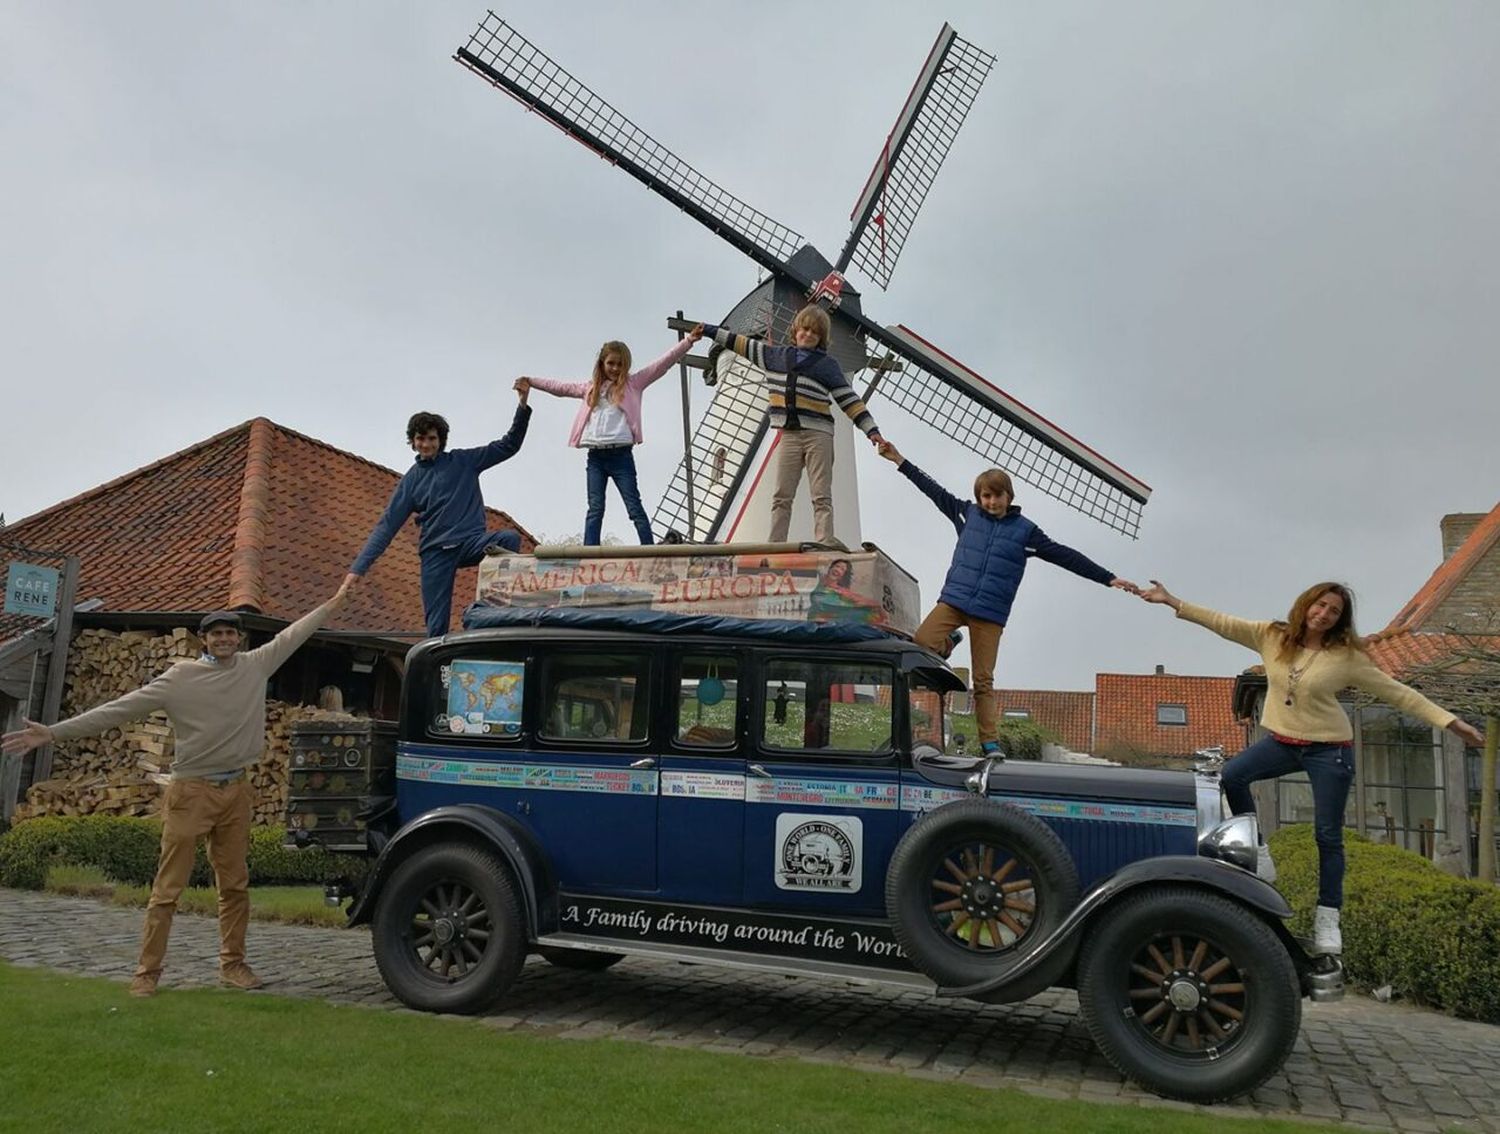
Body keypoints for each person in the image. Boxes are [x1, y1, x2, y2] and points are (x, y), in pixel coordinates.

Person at [1, 584, 353, 996]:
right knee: (168, 889)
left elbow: (296, 633)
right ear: (204, 640)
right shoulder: (180, 678)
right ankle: (146, 974)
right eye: (216, 633)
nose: (224, 639)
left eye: (230, 633)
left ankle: (233, 965)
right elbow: (118, 710)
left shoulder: (256, 665)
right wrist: (53, 733)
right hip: (191, 792)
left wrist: (336, 599)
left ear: (239, 638)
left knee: (235, 885)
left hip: (236, 791)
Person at [1138, 579, 1484, 955]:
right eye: (1320, 605)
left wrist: (1450, 722)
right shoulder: (1272, 636)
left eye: (1333, 611)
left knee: (1327, 836)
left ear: (1340, 619)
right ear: (1306, 605)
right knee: (1232, 776)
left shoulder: (1347, 658)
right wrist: (1172, 601)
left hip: (1329, 749)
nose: (1324, 614)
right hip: (1282, 743)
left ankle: (1328, 918)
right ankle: (1259, 850)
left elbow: (1398, 693)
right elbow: (1222, 622)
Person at [877, 440, 1139, 758]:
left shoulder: (1026, 532)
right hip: (956, 599)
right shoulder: (965, 514)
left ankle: (990, 743)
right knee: (923, 641)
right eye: (985, 496)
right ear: (979, 498)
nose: (991, 502)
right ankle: (950, 642)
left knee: (984, 680)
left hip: (989, 613)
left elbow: (1066, 556)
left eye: (996, 495)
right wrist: (899, 460)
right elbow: (931, 488)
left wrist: (1108, 578)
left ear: (1008, 496)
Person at [345, 387, 530, 638]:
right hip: (435, 553)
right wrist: (357, 570)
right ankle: (437, 668)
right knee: (436, 626)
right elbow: (386, 527)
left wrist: (522, 405)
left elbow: (508, 445)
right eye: (421, 439)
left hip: (469, 542)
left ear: (440, 440)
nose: (426, 444)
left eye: (432, 438)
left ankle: (494, 613)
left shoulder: (464, 461)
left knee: (508, 539)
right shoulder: (411, 481)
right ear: (413, 442)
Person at [702, 305, 883, 546]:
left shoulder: (826, 366)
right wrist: (709, 331)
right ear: (796, 330)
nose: (808, 335)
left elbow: (849, 400)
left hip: (818, 434)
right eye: (804, 329)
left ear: (820, 338)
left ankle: (825, 539)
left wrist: (872, 430)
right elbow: (742, 344)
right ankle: (776, 542)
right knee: (781, 494)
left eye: (814, 333)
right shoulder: (774, 356)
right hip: (789, 434)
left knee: (821, 493)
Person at [517, 327, 702, 546]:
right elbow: (559, 387)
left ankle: (649, 548)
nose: (615, 368)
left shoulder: (633, 384)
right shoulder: (590, 389)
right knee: (595, 508)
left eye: (620, 364)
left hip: (621, 456)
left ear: (626, 366)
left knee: (633, 506)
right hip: (595, 457)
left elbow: (662, 363)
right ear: (602, 364)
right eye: (611, 363)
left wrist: (689, 340)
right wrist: (532, 381)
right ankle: (590, 550)